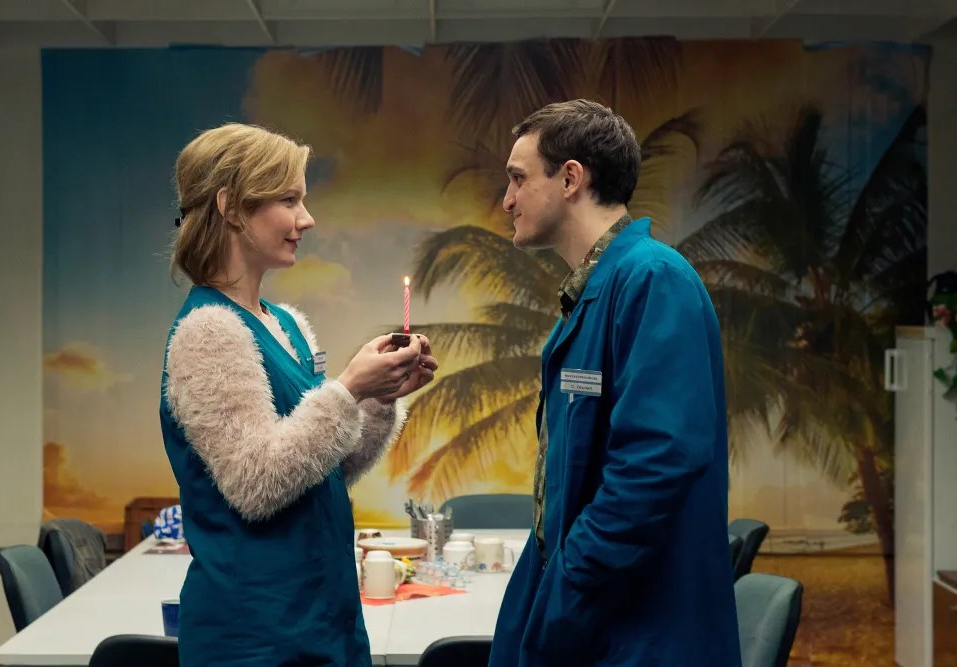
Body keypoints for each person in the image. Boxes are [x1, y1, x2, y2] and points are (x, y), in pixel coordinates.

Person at [160, 122, 437, 666]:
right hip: (257, 633)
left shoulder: (286, 324)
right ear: (232, 208)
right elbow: (256, 483)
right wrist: (347, 389)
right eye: (289, 199)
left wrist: (377, 398)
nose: (306, 219)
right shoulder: (207, 332)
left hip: (321, 615)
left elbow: (322, 468)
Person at [489, 100, 740, 666]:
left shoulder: (653, 280)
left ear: (571, 178)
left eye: (518, 178)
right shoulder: (600, 291)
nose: (506, 200)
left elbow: (656, 463)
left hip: (638, 630)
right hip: (599, 618)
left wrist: (567, 588)